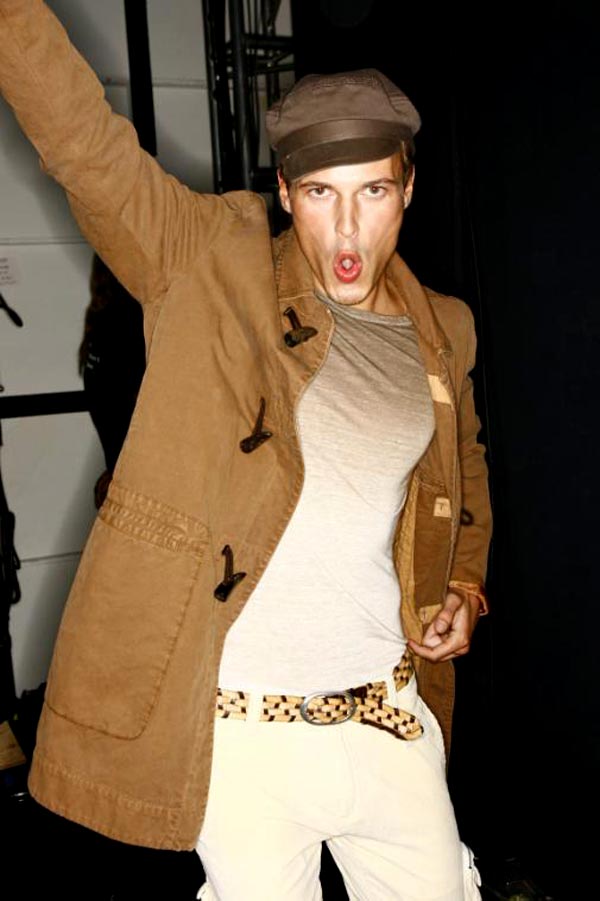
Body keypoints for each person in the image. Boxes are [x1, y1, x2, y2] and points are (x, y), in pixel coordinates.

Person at [0, 2, 492, 898]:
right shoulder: (208, 264)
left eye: (373, 192)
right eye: (322, 194)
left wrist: (461, 581)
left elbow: (462, 471)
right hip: (245, 741)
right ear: (287, 192)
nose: (348, 230)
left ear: (409, 188)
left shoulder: (441, 331)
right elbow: (84, 145)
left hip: (388, 717)